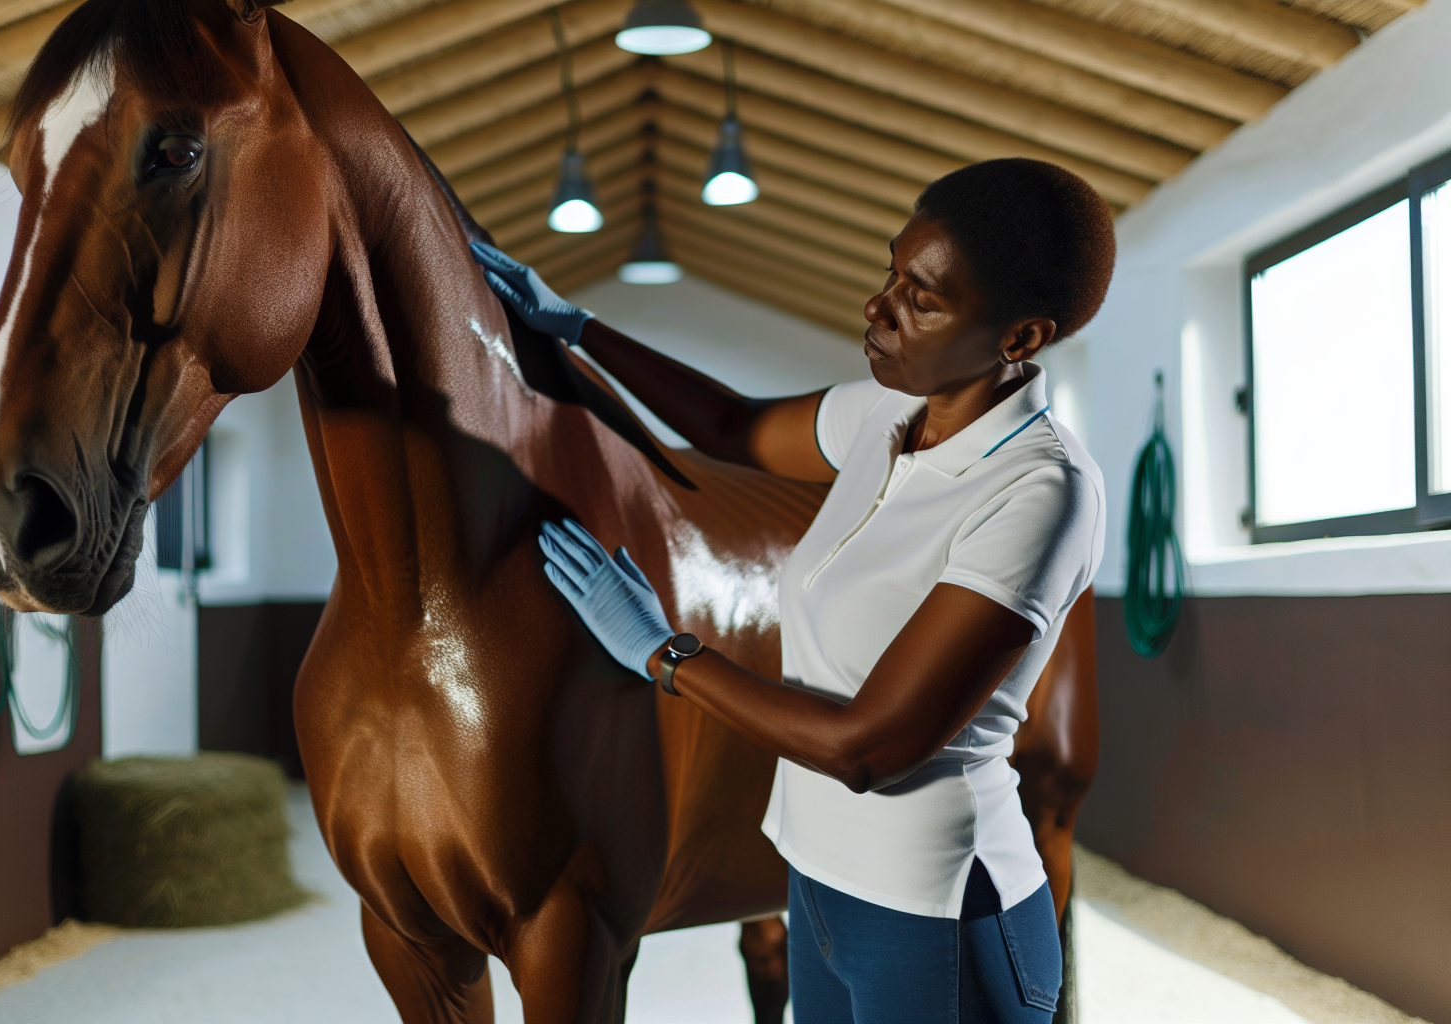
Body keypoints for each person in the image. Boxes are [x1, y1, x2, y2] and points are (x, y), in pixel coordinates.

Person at [470, 158, 1113, 1023]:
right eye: (891, 271)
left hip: (935, 910)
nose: (878, 307)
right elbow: (730, 424)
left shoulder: (1041, 489)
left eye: (922, 299)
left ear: (1021, 338)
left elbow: (868, 747)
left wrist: (665, 653)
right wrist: (579, 326)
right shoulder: (883, 419)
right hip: (814, 883)